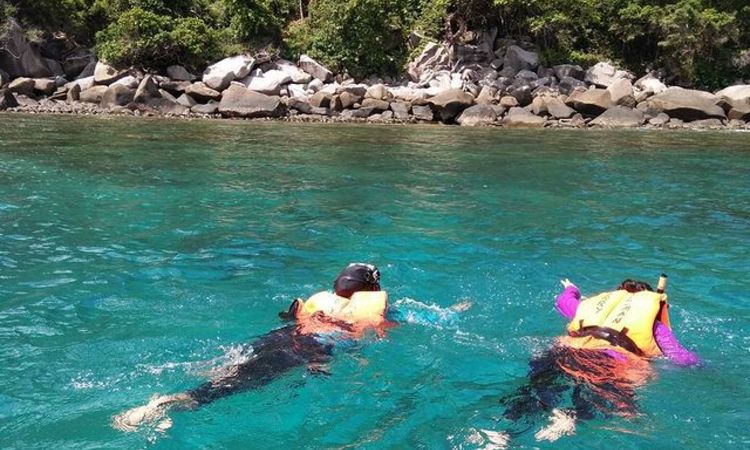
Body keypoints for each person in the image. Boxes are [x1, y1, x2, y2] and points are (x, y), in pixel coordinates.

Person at [112, 263, 390, 432]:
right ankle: (166, 404)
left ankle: (183, 394)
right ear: (370, 288)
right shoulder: (365, 310)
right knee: (234, 384)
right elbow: (377, 335)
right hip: (307, 348)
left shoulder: (320, 301)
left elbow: (289, 317)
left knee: (233, 366)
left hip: (281, 335)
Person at [500, 276, 701, 442]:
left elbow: (563, 302)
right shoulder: (654, 325)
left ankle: (504, 434)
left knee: (536, 390)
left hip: (566, 351)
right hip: (610, 360)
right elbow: (683, 359)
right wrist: (704, 368)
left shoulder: (593, 308)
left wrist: (571, 288)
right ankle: (572, 417)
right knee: (602, 401)